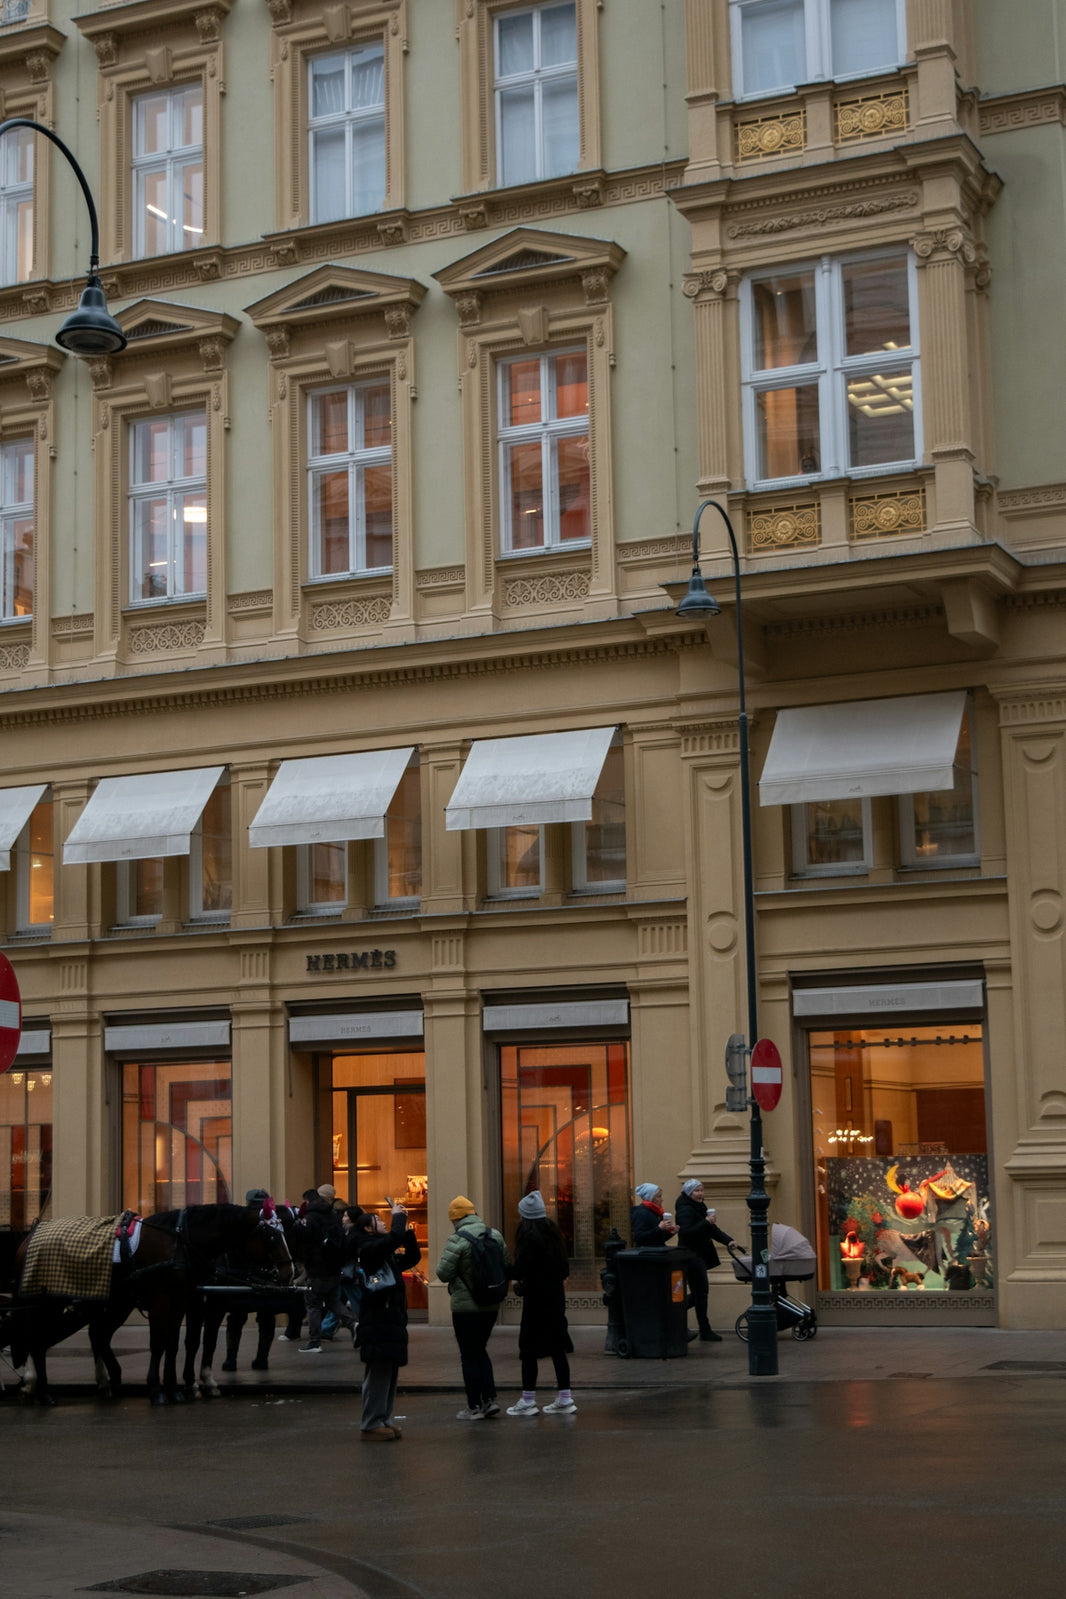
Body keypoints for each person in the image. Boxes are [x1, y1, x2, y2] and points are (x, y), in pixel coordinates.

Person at [435, 1194, 512, 1421]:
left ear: (455, 1219)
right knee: (480, 1350)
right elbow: (506, 1265)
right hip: (491, 1305)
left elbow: (443, 1273)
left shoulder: (457, 1240)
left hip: (465, 1308)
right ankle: (489, 1399)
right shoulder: (494, 1235)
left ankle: (474, 1406)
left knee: (469, 1355)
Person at [353, 1202, 421, 1442]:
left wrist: (407, 1230)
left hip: (389, 1321)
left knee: (389, 1373)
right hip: (378, 1322)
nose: (384, 1222)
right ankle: (371, 1423)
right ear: (368, 1228)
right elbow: (392, 1239)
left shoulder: (385, 1253)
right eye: (379, 1221)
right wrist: (398, 1220)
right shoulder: (368, 1249)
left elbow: (412, 1256)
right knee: (379, 1374)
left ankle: (382, 1419)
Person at [506, 1191, 576, 1417]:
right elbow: (564, 1269)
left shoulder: (529, 1238)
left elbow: (521, 1269)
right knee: (557, 1348)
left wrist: (504, 1269)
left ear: (525, 1216)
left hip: (536, 1300)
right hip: (555, 1298)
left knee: (528, 1349)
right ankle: (565, 1397)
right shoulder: (553, 1235)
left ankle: (528, 1400)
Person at [221, 1187, 281, 1372]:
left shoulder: (240, 1223)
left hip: (241, 1277)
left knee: (237, 1319)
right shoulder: (272, 1222)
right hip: (262, 1277)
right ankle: (261, 1359)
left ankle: (231, 1359)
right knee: (266, 1319)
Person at [299, 1183, 357, 1353]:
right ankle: (353, 1324)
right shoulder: (333, 1215)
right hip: (334, 1268)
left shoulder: (311, 1217)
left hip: (316, 1268)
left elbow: (306, 1243)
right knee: (333, 1301)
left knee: (313, 1304)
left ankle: (314, 1341)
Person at [675, 1179, 735, 1342]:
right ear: (689, 1193)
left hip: (698, 1255)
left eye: (702, 1190)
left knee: (700, 1293)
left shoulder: (699, 1207)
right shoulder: (685, 1209)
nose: (700, 1193)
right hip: (690, 1256)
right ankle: (702, 1328)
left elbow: (712, 1230)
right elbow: (686, 1232)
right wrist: (706, 1222)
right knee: (700, 1293)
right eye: (697, 1191)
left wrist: (728, 1240)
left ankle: (675, 1312)